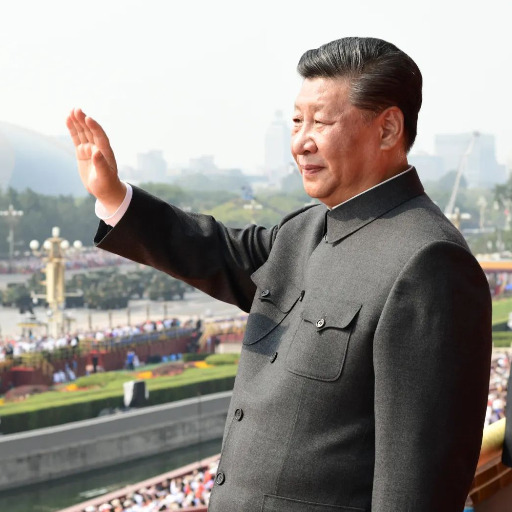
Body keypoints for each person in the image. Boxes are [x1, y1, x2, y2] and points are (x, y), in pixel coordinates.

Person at [67, 37, 491, 511]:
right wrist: (114, 196)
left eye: (321, 122)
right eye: (296, 121)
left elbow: (416, 489)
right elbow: (214, 251)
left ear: (388, 128)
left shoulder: (429, 261)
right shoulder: (303, 231)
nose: (301, 141)